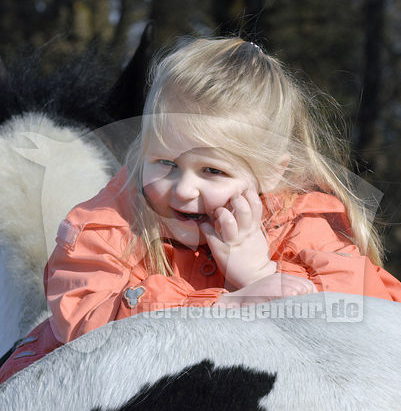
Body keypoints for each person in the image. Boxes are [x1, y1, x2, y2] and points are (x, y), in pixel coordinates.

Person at [1, 36, 401, 384]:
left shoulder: (307, 221)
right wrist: (224, 307)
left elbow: (371, 315)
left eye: (213, 170)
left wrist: (260, 274)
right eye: (165, 163)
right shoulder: (107, 224)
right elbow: (88, 314)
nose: (184, 189)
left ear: (272, 174)